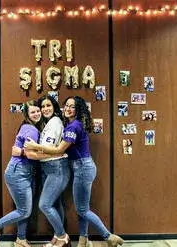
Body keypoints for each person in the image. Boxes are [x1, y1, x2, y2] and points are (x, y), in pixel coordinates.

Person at [24, 96, 124, 247]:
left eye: (73, 107)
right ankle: (83, 240)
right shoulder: (70, 124)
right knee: (83, 208)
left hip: (82, 168)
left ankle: (108, 236)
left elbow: (59, 149)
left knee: (82, 209)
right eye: (67, 106)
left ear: (78, 110)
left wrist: (35, 147)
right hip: (81, 167)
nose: (69, 109)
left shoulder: (73, 127)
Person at [13, 95, 71, 247]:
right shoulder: (46, 123)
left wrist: (31, 151)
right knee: (56, 203)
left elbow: (52, 150)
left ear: (54, 107)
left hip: (56, 167)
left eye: (48, 106)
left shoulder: (55, 122)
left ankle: (62, 236)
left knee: (44, 205)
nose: (45, 109)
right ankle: (57, 238)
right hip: (48, 167)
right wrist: (28, 152)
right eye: (42, 107)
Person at [0, 100, 42, 247]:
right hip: (19, 173)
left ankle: (21, 239)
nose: (36, 114)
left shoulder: (29, 127)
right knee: (24, 210)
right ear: (27, 115)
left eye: (37, 110)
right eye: (32, 112)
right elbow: (30, 154)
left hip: (24, 172)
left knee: (23, 209)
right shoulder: (32, 129)